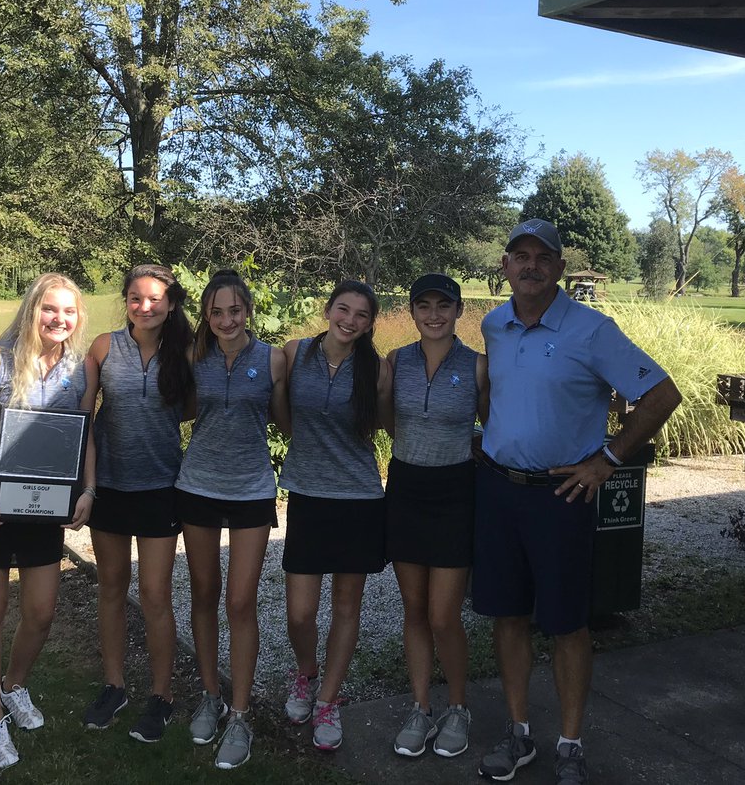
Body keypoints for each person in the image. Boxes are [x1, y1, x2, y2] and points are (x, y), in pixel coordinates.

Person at [474, 219, 681, 785]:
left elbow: (662, 394)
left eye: (543, 257)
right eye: (521, 256)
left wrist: (607, 460)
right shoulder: (494, 324)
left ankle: (570, 744)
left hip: (560, 496)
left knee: (567, 624)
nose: (531, 266)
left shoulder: (592, 330)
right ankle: (519, 734)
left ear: (560, 269)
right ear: (505, 266)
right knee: (508, 615)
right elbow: (495, 395)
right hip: (498, 490)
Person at [0, 273, 98, 769]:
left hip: (47, 502)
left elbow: (84, 433)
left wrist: (88, 490)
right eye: (49, 309)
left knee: (40, 612)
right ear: (32, 310)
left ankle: (13, 685)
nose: (59, 319)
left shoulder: (79, 368)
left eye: (69, 311)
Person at [175, 270, 289, 769]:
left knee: (240, 601)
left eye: (235, 310)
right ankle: (211, 695)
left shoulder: (272, 358)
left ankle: (240, 714)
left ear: (248, 310)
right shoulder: (193, 358)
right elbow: (181, 411)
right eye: (217, 312)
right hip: (197, 485)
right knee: (204, 592)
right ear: (206, 315)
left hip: (251, 489)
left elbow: (285, 418)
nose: (227, 320)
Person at [279, 280, 393, 752]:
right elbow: (282, 415)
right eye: (343, 309)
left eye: (361, 315)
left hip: (359, 498)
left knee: (347, 607)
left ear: (370, 324)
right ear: (328, 310)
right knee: (300, 612)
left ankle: (328, 699)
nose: (350, 320)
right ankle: (306, 673)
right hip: (308, 495)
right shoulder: (294, 354)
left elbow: (386, 424)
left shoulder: (377, 369)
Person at [82, 264, 194, 743]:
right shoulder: (104, 347)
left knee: (154, 595)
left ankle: (162, 696)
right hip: (109, 486)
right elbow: (84, 420)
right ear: (125, 301)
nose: (144, 307)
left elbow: (193, 410)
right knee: (111, 588)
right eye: (135, 298)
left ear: (171, 303)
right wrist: (87, 487)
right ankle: (115, 686)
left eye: (154, 299)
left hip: (160, 487)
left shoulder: (187, 351)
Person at [381, 274, 488, 760]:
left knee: (444, 615)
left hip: (454, 493)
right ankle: (421, 707)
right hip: (406, 488)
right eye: (423, 305)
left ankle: (458, 707)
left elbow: (491, 424)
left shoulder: (477, 365)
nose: (433, 315)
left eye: (443, 305)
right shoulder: (396, 360)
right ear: (412, 311)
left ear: (459, 310)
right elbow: (388, 420)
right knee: (415, 609)